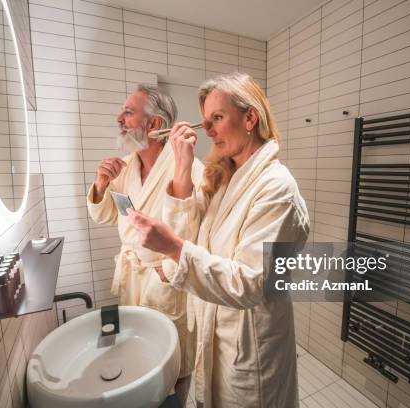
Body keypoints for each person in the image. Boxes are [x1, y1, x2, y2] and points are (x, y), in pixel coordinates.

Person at [127, 73, 310, 407]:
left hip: (250, 347)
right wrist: (182, 165)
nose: (208, 130)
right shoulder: (226, 179)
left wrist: (174, 250)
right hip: (216, 337)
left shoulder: (276, 189)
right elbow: (192, 236)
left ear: (250, 118)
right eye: (205, 121)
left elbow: (252, 282)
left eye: (218, 118)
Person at [86, 84, 204, 403]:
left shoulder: (189, 168)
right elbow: (109, 215)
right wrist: (100, 185)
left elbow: (200, 233)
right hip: (133, 282)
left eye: (128, 112)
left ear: (154, 124)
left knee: (173, 365)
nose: (119, 118)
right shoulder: (126, 167)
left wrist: (167, 271)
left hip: (166, 281)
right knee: (140, 357)